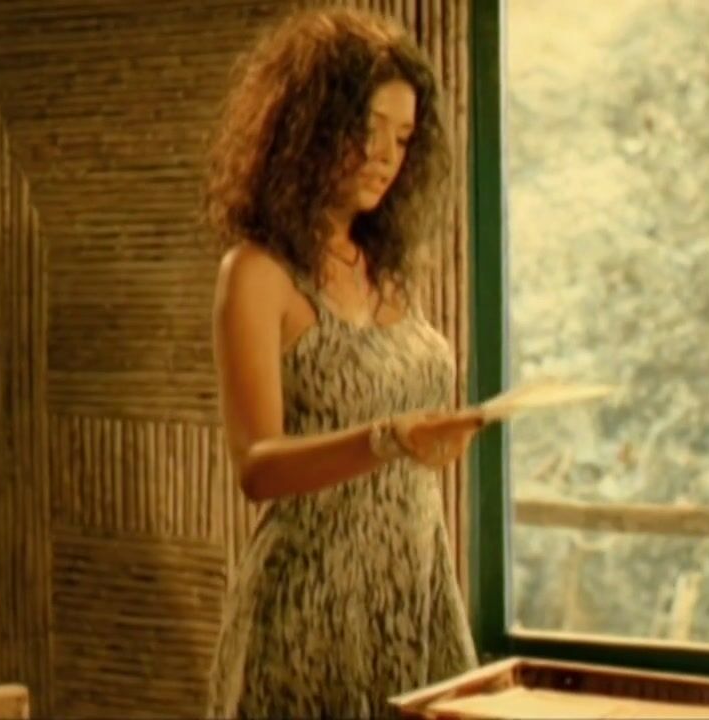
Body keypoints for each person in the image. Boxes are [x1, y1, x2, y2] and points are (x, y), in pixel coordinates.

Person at [203, 8, 482, 718]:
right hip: (311, 608)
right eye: (368, 128)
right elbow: (257, 467)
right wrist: (388, 438)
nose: (385, 155)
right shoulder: (259, 273)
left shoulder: (386, 267)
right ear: (310, 126)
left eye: (403, 137)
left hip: (414, 593)